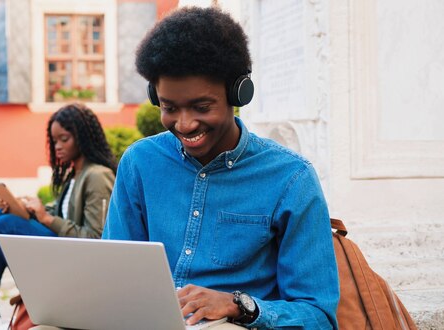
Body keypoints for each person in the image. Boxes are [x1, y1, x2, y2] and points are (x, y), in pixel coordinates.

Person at [103, 6, 340, 330]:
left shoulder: (291, 179)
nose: (184, 124)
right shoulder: (139, 163)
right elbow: (115, 273)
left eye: (202, 107)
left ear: (237, 92)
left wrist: (239, 306)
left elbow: (318, 316)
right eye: (170, 108)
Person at [0, 103, 117, 329]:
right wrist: (27, 207)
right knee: (1, 215)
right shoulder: (75, 174)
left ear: (83, 137)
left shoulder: (98, 176)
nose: (58, 146)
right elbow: (63, 212)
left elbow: (97, 239)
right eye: (54, 141)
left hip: (82, 263)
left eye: (64, 139)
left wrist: (48, 219)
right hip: (66, 252)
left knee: (6, 224)